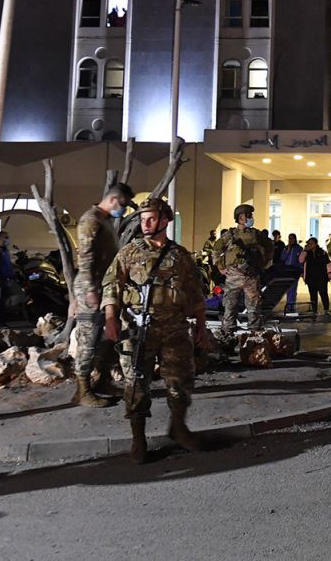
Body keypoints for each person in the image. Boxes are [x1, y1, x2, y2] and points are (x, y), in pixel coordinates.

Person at [102, 197, 208, 464]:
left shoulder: (180, 255)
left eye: (150, 219)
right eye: (142, 219)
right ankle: (138, 439)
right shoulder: (130, 252)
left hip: (174, 330)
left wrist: (202, 325)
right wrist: (111, 318)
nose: (145, 224)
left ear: (164, 220)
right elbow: (112, 285)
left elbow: (195, 292)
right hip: (139, 329)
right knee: (136, 385)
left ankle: (178, 428)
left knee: (180, 382)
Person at [71, 182, 134, 408]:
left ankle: (102, 380)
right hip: (93, 288)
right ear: (113, 200)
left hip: (105, 287)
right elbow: (85, 260)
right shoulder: (91, 221)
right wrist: (90, 291)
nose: (124, 210)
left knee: (108, 338)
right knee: (87, 341)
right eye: (123, 205)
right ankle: (83, 391)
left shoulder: (104, 220)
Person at [217, 203, 272, 333]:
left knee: (254, 308)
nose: (251, 218)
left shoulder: (257, 234)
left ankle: (254, 337)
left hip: (251, 275)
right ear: (240, 218)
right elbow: (216, 250)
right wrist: (220, 267)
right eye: (248, 215)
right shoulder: (230, 235)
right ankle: (227, 336)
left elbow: (269, 247)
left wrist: (263, 263)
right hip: (233, 275)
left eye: (250, 215)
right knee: (230, 307)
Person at [300, 237, 330, 316]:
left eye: (311, 243)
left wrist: (329, 274)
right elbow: (300, 260)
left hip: (322, 277)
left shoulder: (322, 252)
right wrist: (305, 251)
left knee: (323, 293)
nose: (309, 245)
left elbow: (328, 263)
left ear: (315, 244)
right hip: (310, 277)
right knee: (313, 294)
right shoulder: (306, 253)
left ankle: (326, 309)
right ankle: (314, 310)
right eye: (308, 243)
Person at [282, 233, 303, 315]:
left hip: (295, 271)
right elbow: (283, 258)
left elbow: (300, 260)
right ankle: (288, 304)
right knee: (288, 288)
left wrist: (300, 270)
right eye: (289, 238)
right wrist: (287, 250)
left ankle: (292, 305)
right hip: (287, 271)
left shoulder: (299, 248)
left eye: (292, 238)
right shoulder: (286, 248)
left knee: (293, 288)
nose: (291, 240)